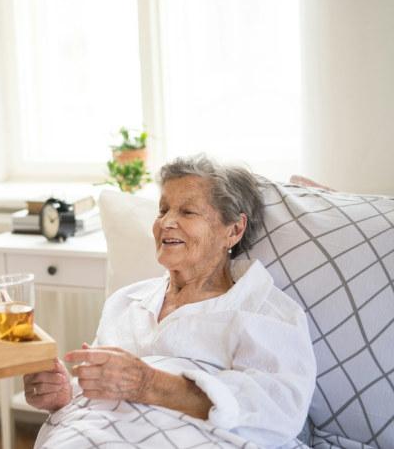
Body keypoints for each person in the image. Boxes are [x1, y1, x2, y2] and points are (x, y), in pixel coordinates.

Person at [24, 155, 317, 448]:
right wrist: (63, 396)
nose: (166, 223)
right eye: (162, 210)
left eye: (187, 212)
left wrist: (149, 384)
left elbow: (280, 411)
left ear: (234, 230)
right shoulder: (125, 302)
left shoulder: (264, 311)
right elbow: (100, 397)